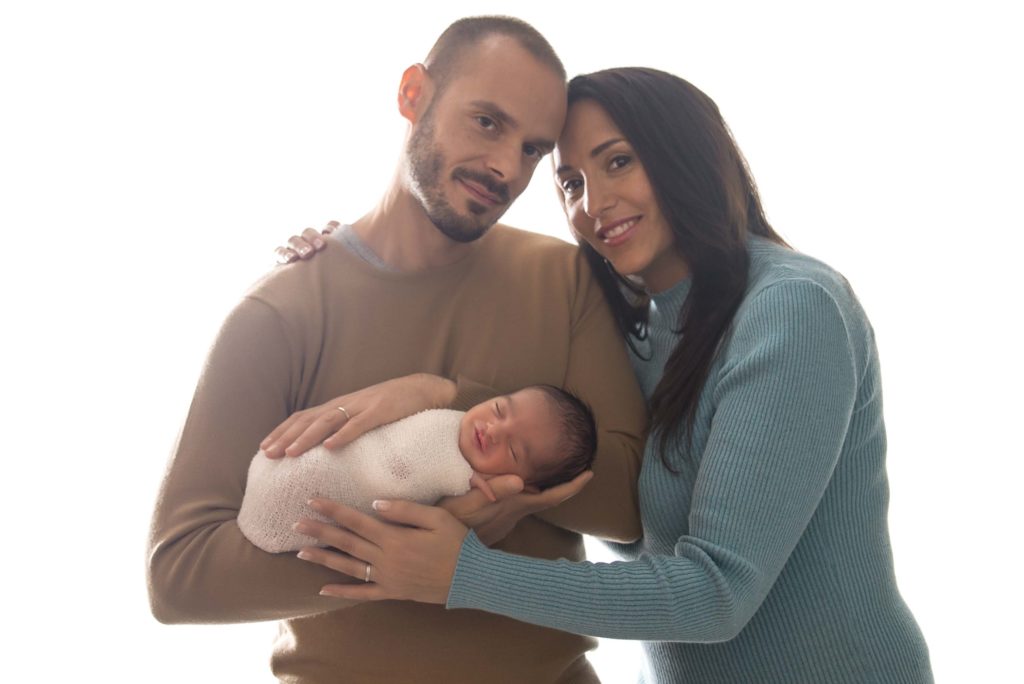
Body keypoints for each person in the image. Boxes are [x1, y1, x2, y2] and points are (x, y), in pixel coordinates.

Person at [285, 67, 934, 683]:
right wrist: (360, 261)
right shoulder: (630, 329)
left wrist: (466, 575)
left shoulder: (792, 309)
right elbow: (519, 394)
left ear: (685, 154)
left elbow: (717, 594)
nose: (594, 203)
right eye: (569, 183)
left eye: (618, 161)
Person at [146, 16, 647, 684]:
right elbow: (178, 577)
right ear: (413, 94)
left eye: (533, 149)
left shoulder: (564, 279)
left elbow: (625, 507)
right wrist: (411, 550)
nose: (506, 167)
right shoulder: (281, 312)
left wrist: (453, 402)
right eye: (487, 122)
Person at [239, 385, 597, 553]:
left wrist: (467, 484)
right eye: (500, 409)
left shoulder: (483, 503)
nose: (492, 430)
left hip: (332, 503)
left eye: (515, 450)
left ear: (524, 485)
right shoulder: (441, 417)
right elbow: (409, 446)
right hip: (317, 461)